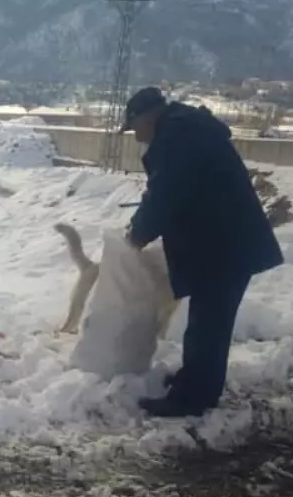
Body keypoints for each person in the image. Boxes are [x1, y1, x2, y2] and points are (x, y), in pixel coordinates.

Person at [121, 86, 284, 418]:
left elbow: (165, 194)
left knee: (209, 322)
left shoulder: (175, 137)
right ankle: (195, 382)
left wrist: (137, 234)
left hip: (224, 243)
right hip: (225, 239)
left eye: (134, 127)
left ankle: (192, 398)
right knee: (208, 318)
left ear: (147, 116)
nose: (137, 136)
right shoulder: (186, 129)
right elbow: (171, 191)